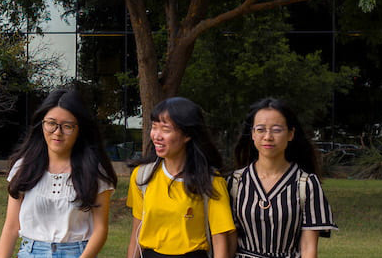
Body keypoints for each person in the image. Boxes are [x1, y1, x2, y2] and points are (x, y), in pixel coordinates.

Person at [0, 88, 118, 258]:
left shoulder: (94, 171)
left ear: (79, 129)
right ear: (42, 124)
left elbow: (100, 229)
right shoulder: (23, 167)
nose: (57, 132)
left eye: (67, 126)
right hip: (30, 252)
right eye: (51, 123)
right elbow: (10, 226)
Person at [226, 98, 337, 258]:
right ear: (252, 134)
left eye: (276, 130)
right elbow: (229, 242)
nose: (268, 137)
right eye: (261, 129)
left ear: (290, 134)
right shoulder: (235, 183)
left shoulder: (306, 184)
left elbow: (308, 248)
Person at [126, 97, 234, 258]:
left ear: (187, 135)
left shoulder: (211, 181)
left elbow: (220, 240)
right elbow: (137, 232)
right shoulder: (142, 176)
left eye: (165, 129)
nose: (157, 135)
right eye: (154, 127)